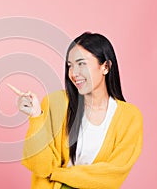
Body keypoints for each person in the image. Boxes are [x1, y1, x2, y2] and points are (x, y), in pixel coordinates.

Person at [8, 32, 143, 189]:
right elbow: (40, 167)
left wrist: (56, 173)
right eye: (70, 65)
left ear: (105, 67)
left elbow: (112, 175)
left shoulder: (130, 117)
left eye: (81, 64)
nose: (73, 73)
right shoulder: (55, 103)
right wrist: (36, 116)